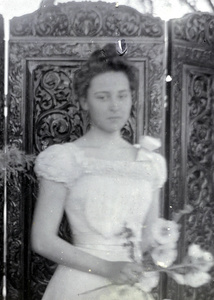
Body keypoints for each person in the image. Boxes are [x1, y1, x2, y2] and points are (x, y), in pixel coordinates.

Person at [32, 44, 167, 300]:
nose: (114, 106)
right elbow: (42, 239)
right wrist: (108, 268)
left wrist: (159, 252)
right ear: (84, 101)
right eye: (103, 97)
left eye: (122, 95)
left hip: (130, 287)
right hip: (80, 285)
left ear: (131, 97)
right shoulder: (65, 159)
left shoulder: (150, 163)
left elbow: (150, 236)